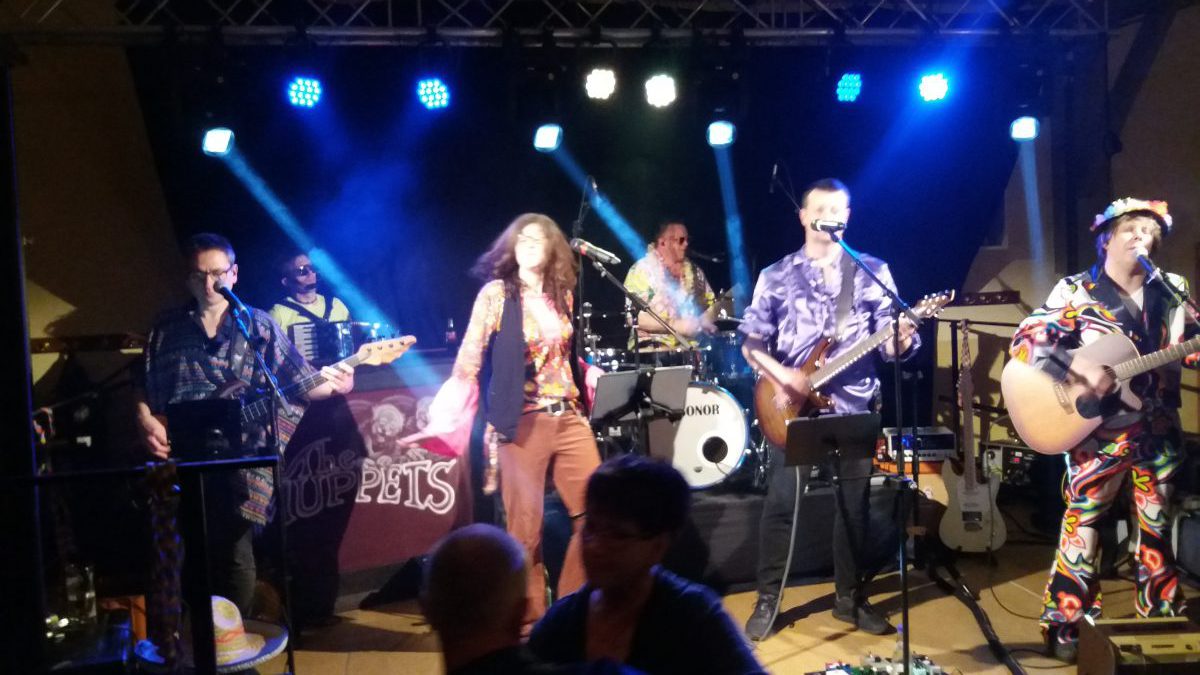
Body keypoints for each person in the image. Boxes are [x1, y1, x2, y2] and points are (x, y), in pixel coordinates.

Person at [1008, 198, 1195, 663]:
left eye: (1149, 232)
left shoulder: (1172, 289)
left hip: (1157, 426)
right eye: (1130, 229)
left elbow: (1188, 350)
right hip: (1097, 431)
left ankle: (1159, 618)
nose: (1140, 237)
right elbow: (1025, 340)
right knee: (1084, 523)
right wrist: (1077, 369)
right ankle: (1067, 624)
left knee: (1156, 527)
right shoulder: (1077, 291)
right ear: (1106, 238)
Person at [134, 233, 354, 614]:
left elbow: (297, 379)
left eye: (217, 274)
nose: (209, 284)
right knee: (186, 555)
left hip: (240, 460)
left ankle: (237, 640)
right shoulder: (165, 328)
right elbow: (141, 381)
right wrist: (143, 419)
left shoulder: (258, 325)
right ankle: (194, 639)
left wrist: (338, 380)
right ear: (187, 277)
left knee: (236, 555)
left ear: (233, 274)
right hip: (179, 460)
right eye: (199, 275)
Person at [739, 178, 918, 640]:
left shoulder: (871, 270)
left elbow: (890, 345)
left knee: (853, 507)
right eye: (819, 209)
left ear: (848, 217)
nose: (828, 216)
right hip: (790, 407)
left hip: (854, 403)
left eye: (837, 209)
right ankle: (768, 599)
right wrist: (784, 376)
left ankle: (849, 599)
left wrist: (901, 340)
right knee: (782, 504)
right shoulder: (776, 275)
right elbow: (751, 344)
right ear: (803, 216)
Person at [404, 213, 603, 629]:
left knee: (596, 515)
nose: (528, 245)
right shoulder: (496, 295)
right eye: (521, 238)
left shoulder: (561, 294)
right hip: (522, 419)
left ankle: (569, 611)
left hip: (568, 415)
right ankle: (529, 624)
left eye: (537, 239)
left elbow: (561, 358)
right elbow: (468, 360)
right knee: (525, 531)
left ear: (553, 248)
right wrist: (445, 415)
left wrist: (588, 371)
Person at [528, 455, 765, 675]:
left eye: (618, 535)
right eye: (591, 528)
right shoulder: (561, 622)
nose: (595, 546)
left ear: (658, 546)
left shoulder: (695, 618)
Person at [623, 221, 718, 348]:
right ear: (663, 242)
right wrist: (676, 325)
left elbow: (710, 304)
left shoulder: (695, 271)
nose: (686, 244)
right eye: (681, 240)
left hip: (691, 349)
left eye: (688, 240)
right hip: (651, 349)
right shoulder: (642, 270)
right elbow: (633, 317)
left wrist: (704, 321)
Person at [268, 250, 350, 336]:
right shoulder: (278, 313)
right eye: (302, 271)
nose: (311, 274)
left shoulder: (336, 305)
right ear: (286, 282)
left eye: (312, 268)